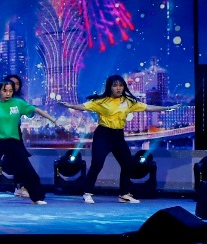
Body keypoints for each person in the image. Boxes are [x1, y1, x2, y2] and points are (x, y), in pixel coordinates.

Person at [62, 74, 179, 204]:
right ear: (109, 87)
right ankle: (87, 193)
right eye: (115, 85)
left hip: (118, 135)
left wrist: (167, 108)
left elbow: (148, 107)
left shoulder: (128, 101)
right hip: (103, 135)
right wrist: (69, 105)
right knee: (97, 164)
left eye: (121, 85)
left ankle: (124, 194)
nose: (118, 88)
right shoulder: (102, 101)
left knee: (127, 164)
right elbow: (83, 106)